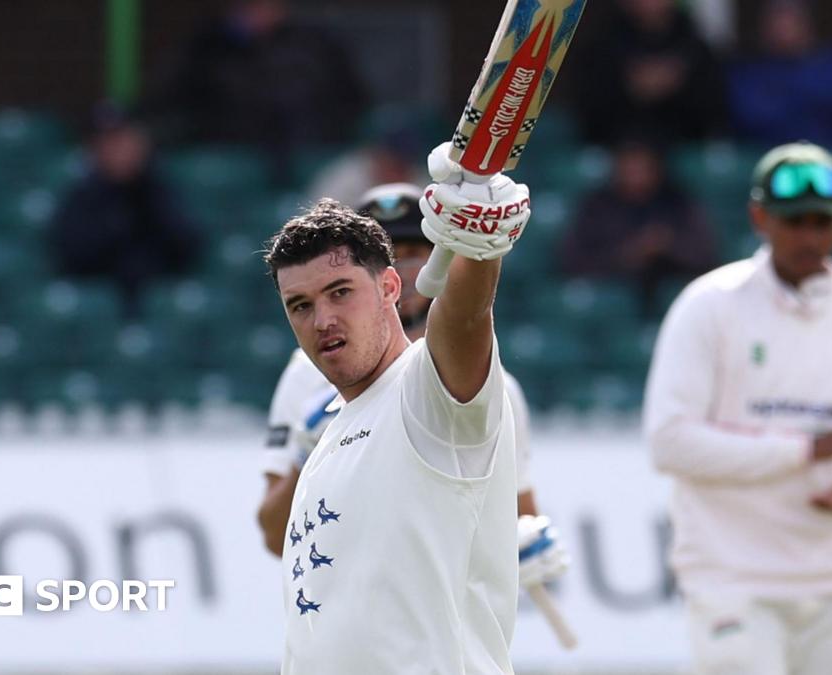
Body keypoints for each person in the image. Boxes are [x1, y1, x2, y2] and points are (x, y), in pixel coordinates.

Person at [642, 141, 832, 675]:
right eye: (795, 222)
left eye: (823, 222)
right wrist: (806, 450)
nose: (811, 237)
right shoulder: (710, 306)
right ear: (759, 217)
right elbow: (670, 444)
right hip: (731, 573)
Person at [263, 144, 532, 673]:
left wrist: (479, 249)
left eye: (340, 292)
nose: (322, 320)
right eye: (301, 306)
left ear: (390, 287)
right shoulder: (332, 434)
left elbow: (465, 316)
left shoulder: (424, 388)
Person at [146, 0, 367, 156]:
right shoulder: (207, 47)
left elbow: (352, 97)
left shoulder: (315, 44)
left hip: (312, 149)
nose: (260, 12)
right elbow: (168, 99)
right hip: (229, 152)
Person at [48, 103, 202, 315]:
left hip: (160, 305)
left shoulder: (160, 189)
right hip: (100, 309)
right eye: (108, 142)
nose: (118, 149)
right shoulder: (83, 195)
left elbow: (188, 244)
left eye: (123, 139)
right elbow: (71, 254)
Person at [560, 141, 717, 313]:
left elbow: (706, 257)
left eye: (643, 170)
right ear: (617, 171)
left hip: (669, 297)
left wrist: (667, 247)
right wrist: (629, 254)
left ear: (657, 171)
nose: (636, 178)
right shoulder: (597, 206)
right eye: (630, 171)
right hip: (611, 299)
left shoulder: (678, 203)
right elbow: (572, 261)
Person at [574, 0, 727, 146]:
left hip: (680, 149)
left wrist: (676, 84)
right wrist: (628, 86)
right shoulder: (602, 46)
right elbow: (589, 115)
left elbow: (714, 114)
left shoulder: (695, 47)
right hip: (617, 150)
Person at [729, 0, 832, 148]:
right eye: (777, 18)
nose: (783, 26)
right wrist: (808, 100)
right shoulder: (748, 71)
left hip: (828, 155)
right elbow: (752, 115)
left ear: (807, 23)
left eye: (791, 18)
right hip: (766, 157)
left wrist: (782, 92)